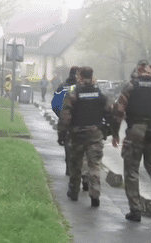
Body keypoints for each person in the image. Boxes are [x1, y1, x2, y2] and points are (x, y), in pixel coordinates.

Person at [111, 59, 151, 222]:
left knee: (131, 170)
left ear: (137, 71)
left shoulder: (131, 86)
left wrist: (114, 133)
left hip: (135, 131)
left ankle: (135, 210)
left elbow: (119, 111)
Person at [58, 66, 117, 207]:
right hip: (95, 133)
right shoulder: (100, 92)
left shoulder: (73, 92)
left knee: (76, 164)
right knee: (94, 164)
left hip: (77, 134)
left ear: (79, 76)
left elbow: (65, 115)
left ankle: (73, 192)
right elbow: (110, 113)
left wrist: (61, 133)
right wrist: (112, 131)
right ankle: (95, 195)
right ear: (91, 76)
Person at [52, 67, 89, 190]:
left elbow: (55, 103)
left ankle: (69, 168)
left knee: (68, 145)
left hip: (66, 121)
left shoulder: (63, 86)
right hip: (81, 122)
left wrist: (61, 116)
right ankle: (84, 173)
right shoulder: (82, 88)